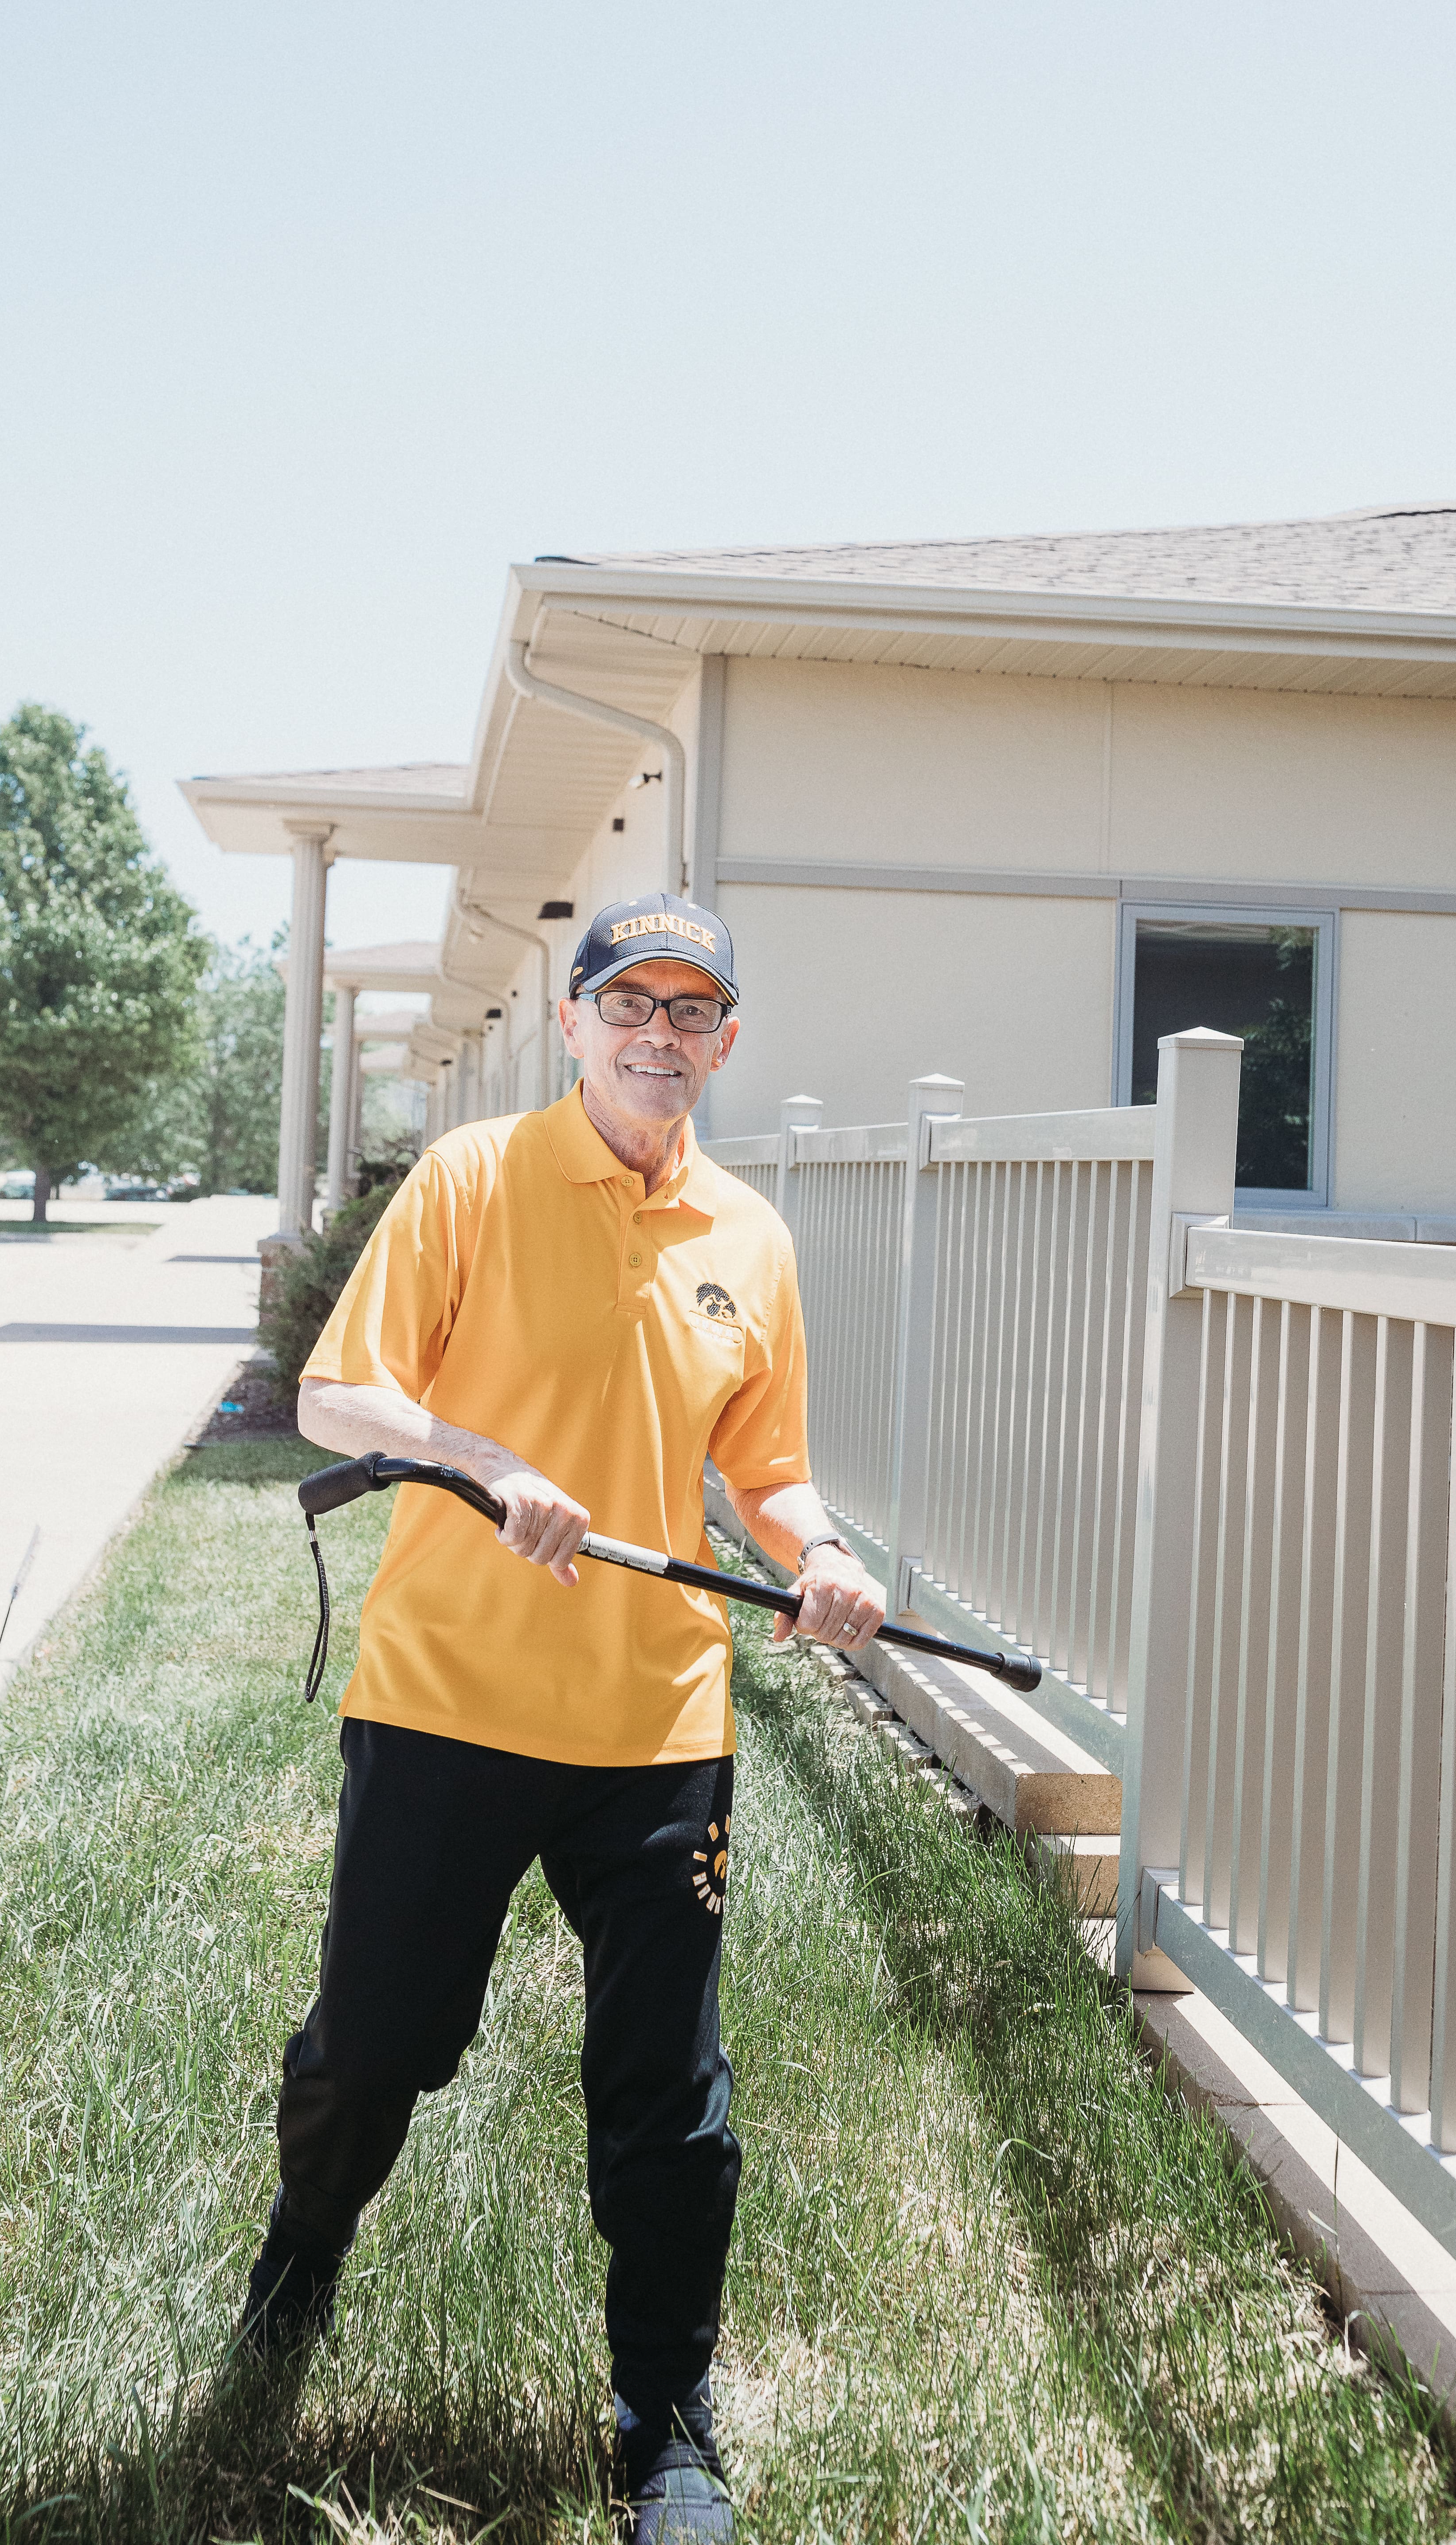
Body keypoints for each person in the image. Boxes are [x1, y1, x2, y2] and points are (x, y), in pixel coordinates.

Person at [243, 893, 885, 2542]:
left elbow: (765, 1460)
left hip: (655, 1717)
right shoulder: (471, 1177)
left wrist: (816, 1548)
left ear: (722, 1041)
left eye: (692, 1010)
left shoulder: (747, 1236)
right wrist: (483, 1459)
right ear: (576, 1022)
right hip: (448, 1703)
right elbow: (334, 1394)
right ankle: (301, 2255)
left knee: (669, 2091)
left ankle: (662, 2408)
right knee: (375, 2048)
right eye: (631, 1003)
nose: (658, 1034)